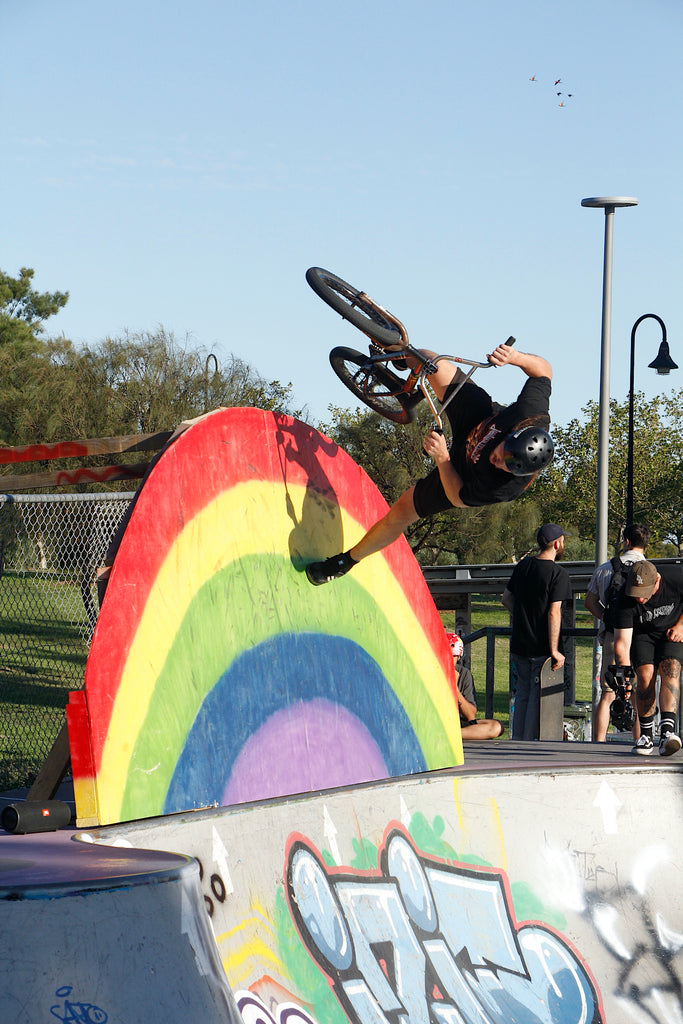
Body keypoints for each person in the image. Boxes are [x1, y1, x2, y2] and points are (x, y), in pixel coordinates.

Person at [306, 341, 554, 585]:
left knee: (401, 512)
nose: (498, 462)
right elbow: (544, 370)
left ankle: (345, 562)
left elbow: (457, 498)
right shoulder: (531, 413)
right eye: (503, 455)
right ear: (514, 434)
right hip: (479, 417)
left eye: (505, 467)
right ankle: (396, 356)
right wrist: (515, 357)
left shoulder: (503, 487)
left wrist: (443, 457)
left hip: (459, 473)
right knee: (430, 360)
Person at [501, 523, 572, 740]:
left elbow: (506, 598)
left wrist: (522, 616)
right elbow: (554, 613)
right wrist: (554, 650)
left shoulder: (523, 566)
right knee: (537, 695)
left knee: (522, 693)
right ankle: (527, 744)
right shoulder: (557, 574)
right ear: (558, 544)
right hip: (541, 646)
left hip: (520, 642)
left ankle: (517, 740)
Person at [584, 523, 649, 742]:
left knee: (608, 692)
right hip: (642, 638)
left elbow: (590, 602)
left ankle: (598, 741)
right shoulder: (650, 570)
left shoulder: (605, 568)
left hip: (613, 636)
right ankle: (640, 740)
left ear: (627, 541)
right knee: (639, 695)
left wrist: (608, 618)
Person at [612, 560, 683, 756]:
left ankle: (668, 731)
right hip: (643, 635)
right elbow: (622, 644)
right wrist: (624, 680)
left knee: (671, 667)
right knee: (644, 675)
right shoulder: (624, 598)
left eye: (644, 593)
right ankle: (646, 736)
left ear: (657, 581)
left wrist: (681, 625)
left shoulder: (676, 577)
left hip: (672, 630)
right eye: (636, 593)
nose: (641, 600)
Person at [446, 633, 503, 740]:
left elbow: (470, 716)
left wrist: (455, 689)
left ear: (459, 657)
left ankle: (449, 735)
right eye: (445, 655)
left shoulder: (464, 674)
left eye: (453, 656)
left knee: (496, 727)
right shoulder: (428, 672)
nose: (448, 659)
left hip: (456, 724)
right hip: (434, 721)